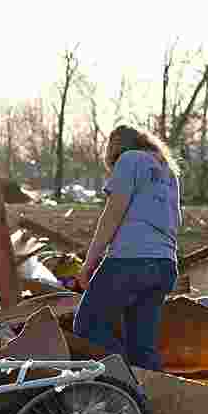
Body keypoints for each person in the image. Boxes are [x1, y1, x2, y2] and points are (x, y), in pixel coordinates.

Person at [72, 124, 182, 371]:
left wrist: (88, 265)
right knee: (142, 346)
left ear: (115, 148)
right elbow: (177, 221)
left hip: (130, 260)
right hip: (165, 264)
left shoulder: (129, 160)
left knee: (87, 325)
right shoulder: (168, 170)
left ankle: (124, 382)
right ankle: (147, 400)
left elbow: (112, 214)